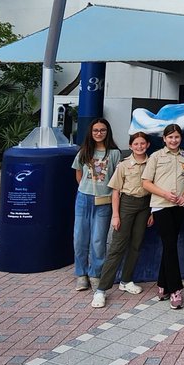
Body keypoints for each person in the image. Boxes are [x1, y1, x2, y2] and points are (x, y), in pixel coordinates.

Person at [91, 132, 151, 309]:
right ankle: (101, 290)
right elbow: (115, 191)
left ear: (147, 145)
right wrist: (115, 215)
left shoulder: (152, 163)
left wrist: (152, 212)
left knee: (136, 244)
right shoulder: (124, 165)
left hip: (145, 205)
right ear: (131, 146)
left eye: (142, 143)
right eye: (136, 144)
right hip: (127, 204)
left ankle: (126, 280)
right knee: (117, 247)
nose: (139, 147)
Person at [141, 124, 184, 309]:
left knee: (169, 245)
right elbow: (146, 183)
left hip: (179, 207)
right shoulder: (156, 156)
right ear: (164, 139)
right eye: (170, 137)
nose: (174, 140)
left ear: (181, 138)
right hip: (161, 206)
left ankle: (162, 284)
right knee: (170, 245)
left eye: (177, 137)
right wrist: (164, 194)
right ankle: (175, 289)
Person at [71, 118, 121, 292]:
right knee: (79, 238)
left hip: (104, 201)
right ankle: (81, 274)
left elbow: (116, 179)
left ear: (107, 132)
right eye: (95, 130)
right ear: (91, 133)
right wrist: (86, 189)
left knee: (98, 240)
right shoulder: (84, 151)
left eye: (102, 130)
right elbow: (78, 174)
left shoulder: (114, 153)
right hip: (83, 199)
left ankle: (95, 274)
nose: (99, 133)